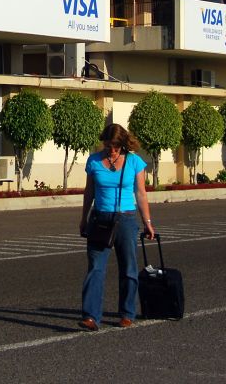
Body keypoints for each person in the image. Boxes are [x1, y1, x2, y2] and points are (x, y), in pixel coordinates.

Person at [78, 123, 154, 331]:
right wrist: (84, 218)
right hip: (100, 219)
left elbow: (141, 193)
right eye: (109, 145)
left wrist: (147, 222)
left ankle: (127, 313)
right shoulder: (93, 161)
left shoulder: (134, 162)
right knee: (95, 268)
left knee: (128, 268)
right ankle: (91, 316)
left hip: (126, 220)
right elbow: (89, 192)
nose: (112, 150)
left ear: (123, 144)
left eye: (116, 146)